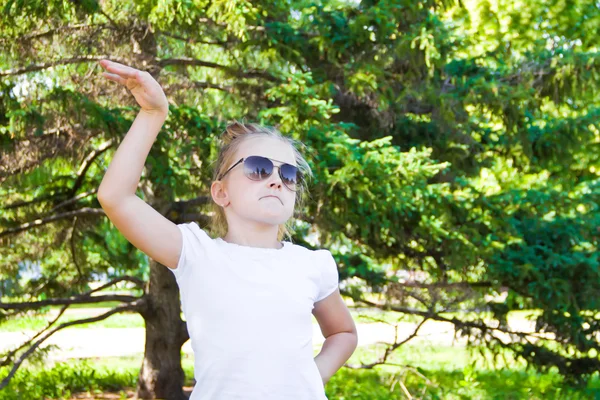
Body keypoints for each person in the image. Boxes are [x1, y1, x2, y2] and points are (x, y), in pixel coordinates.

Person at [97, 59, 358, 399]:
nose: (277, 180)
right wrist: (152, 115)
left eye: (288, 174)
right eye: (258, 168)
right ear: (221, 192)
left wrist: (310, 377)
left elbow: (343, 333)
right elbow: (115, 197)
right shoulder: (196, 253)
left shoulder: (313, 264)